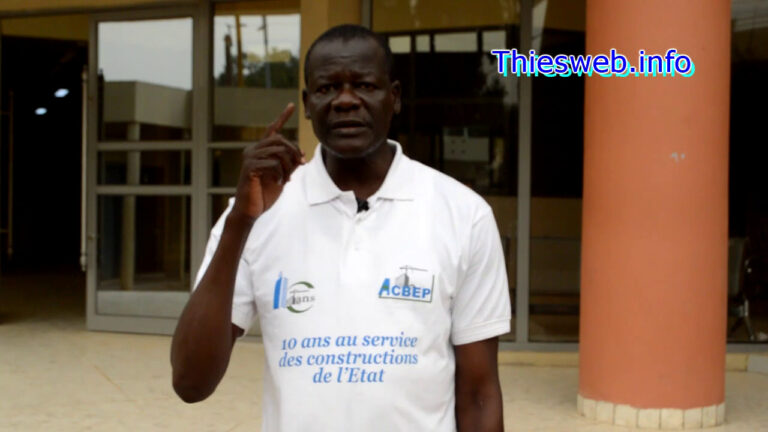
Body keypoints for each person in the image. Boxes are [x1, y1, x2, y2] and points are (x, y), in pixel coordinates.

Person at [170, 24, 511, 432]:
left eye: (364, 85)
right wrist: (239, 224)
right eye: (327, 88)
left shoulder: (462, 213)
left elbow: (479, 395)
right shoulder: (254, 214)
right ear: (307, 104)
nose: (345, 100)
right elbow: (191, 382)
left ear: (395, 98)